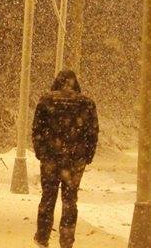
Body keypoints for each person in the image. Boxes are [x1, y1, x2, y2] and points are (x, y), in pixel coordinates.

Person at [32, 69, 99, 248]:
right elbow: (92, 133)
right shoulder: (86, 103)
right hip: (75, 160)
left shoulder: (46, 101)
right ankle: (67, 240)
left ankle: (42, 236)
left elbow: (37, 130)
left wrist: (42, 153)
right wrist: (87, 156)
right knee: (70, 200)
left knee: (48, 197)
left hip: (51, 159)